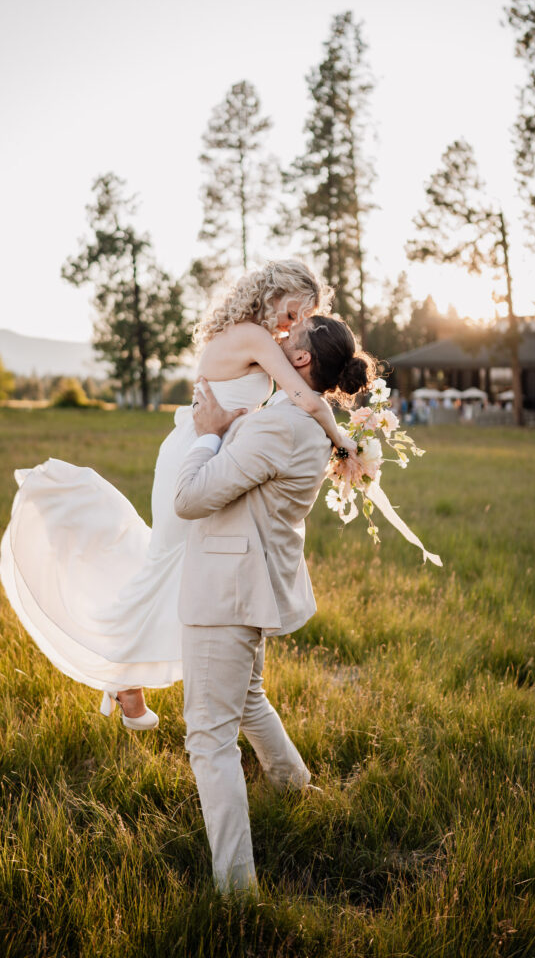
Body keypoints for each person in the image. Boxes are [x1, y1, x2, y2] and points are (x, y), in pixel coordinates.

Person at [0, 260, 357, 730]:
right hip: (196, 456)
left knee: (174, 569)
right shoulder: (253, 337)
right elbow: (305, 400)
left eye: (306, 316)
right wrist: (344, 441)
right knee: (165, 568)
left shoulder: (246, 333)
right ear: (280, 292)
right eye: (297, 310)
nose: (296, 324)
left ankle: (150, 682)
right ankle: (124, 681)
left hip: (205, 454)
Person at [173, 313, 375, 893]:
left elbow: (190, 498)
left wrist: (209, 432)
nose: (278, 337)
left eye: (291, 337)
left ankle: (238, 893)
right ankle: (295, 788)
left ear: (304, 361)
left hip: (226, 592)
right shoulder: (306, 419)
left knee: (208, 738)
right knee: (248, 699)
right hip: (249, 583)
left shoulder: (280, 427)